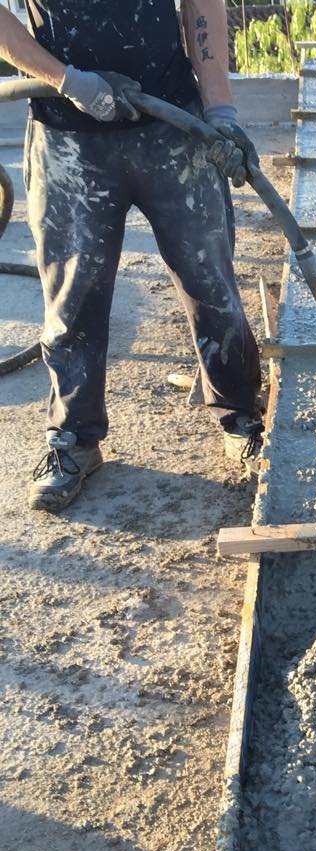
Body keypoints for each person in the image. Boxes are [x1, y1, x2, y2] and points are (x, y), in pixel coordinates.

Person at [0, 0, 265, 512]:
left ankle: (240, 416)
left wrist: (221, 112)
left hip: (173, 124)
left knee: (210, 279)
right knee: (73, 295)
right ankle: (74, 438)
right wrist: (68, 81)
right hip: (67, 136)